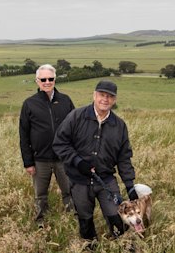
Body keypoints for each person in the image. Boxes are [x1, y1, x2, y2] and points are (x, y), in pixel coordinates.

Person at [53, 80, 138, 243]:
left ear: (114, 100)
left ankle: (124, 245)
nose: (105, 99)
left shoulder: (119, 125)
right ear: (94, 95)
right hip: (79, 180)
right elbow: (59, 143)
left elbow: (124, 157)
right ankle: (90, 246)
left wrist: (130, 185)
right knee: (85, 219)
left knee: (116, 216)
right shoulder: (76, 116)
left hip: (106, 179)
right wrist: (77, 162)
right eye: (102, 95)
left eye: (109, 96)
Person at [19, 64, 75, 227]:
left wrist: (73, 154)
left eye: (50, 79)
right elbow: (24, 134)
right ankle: (40, 222)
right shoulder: (29, 104)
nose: (47, 82)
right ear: (37, 81)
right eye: (43, 79)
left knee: (69, 191)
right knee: (40, 194)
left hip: (63, 157)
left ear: (55, 80)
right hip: (40, 159)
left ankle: (71, 219)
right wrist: (28, 162)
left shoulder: (65, 100)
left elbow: (75, 128)